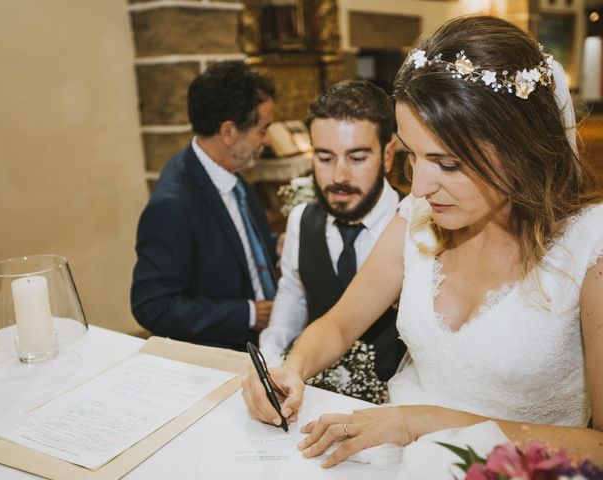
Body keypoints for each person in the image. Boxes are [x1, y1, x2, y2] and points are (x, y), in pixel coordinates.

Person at [242, 15, 603, 469]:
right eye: (414, 156)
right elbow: (337, 325)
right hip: (391, 457)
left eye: (448, 163)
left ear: (521, 148)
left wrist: (422, 422)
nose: (418, 189)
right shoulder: (417, 218)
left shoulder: (591, 248)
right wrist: (291, 369)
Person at [259, 80, 406, 404]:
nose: (339, 176)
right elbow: (294, 296)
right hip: (314, 398)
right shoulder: (301, 220)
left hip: (396, 406)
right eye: (325, 158)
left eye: (356, 158)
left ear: (386, 155)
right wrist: (271, 364)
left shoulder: (415, 226)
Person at [131, 61, 279, 351]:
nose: (268, 139)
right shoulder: (172, 206)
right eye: (263, 129)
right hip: (223, 355)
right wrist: (248, 314)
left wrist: (276, 244)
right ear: (228, 133)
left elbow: (231, 246)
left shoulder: (228, 173)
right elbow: (154, 306)